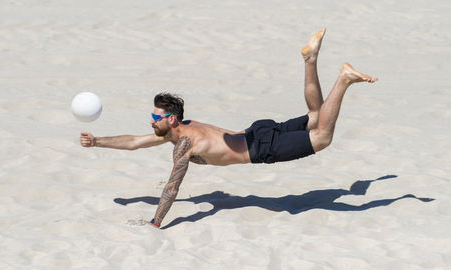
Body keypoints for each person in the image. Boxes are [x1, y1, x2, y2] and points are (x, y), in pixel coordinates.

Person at [80, 28, 378, 228]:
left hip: (260, 147)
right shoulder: (183, 127)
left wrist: (156, 222)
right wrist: (97, 142)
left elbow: (173, 187)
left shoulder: (184, 144)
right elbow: (134, 142)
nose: (151, 121)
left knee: (322, 136)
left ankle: (344, 80)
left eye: (155, 117)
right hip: (257, 131)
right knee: (315, 114)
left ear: (171, 119)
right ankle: (309, 58)